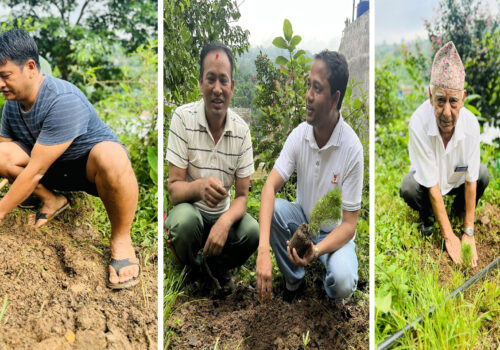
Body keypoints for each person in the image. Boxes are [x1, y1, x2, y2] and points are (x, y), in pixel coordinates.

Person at [0, 29, 140, 289]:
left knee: (111, 156)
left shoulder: (62, 99)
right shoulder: (11, 105)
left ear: (30, 67)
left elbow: (35, 171)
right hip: (47, 170)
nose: (0, 84)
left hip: (85, 169)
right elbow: (5, 153)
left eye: (5, 76)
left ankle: (121, 238)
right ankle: (52, 200)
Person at [256, 50, 363, 302]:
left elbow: (349, 225)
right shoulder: (300, 135)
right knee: (274, 211)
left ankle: (327, 289)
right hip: (303, 223)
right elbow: (269, 187)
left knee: (343, 281)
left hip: (333, 234)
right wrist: (262, 250)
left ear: (335, 98)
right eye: (308, 86)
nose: (308, 96)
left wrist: (317, 250)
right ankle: (295, 282)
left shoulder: (351, 148)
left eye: (317, 88)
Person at [165, 42, 259, 291]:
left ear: (232, 86)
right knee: (182, 223)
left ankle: (217, 268)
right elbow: (174, 189)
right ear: (200, 82)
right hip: (192, 214)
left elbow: (241, 197)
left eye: (223, 80)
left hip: (223, 218)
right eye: (211, 79)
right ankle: (195, 271)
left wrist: (224, 223)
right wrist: (198, 188)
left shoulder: (242, 131)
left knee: (251, 231)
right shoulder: (182, 119)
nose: (217, 89)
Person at [400, 41, 489, 267]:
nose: (446, 112)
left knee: (483, 174)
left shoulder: (470, 126)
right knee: (409, 187)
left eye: (453, 102)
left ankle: (458, 211)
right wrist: (449, 237)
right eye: (440, 101)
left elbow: (471, 179)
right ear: (430, 96)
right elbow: (431, 184)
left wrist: (467, 232)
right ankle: (428, 215)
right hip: (430, 183)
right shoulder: (418, 123)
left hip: (456, 180)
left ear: (463, 98)